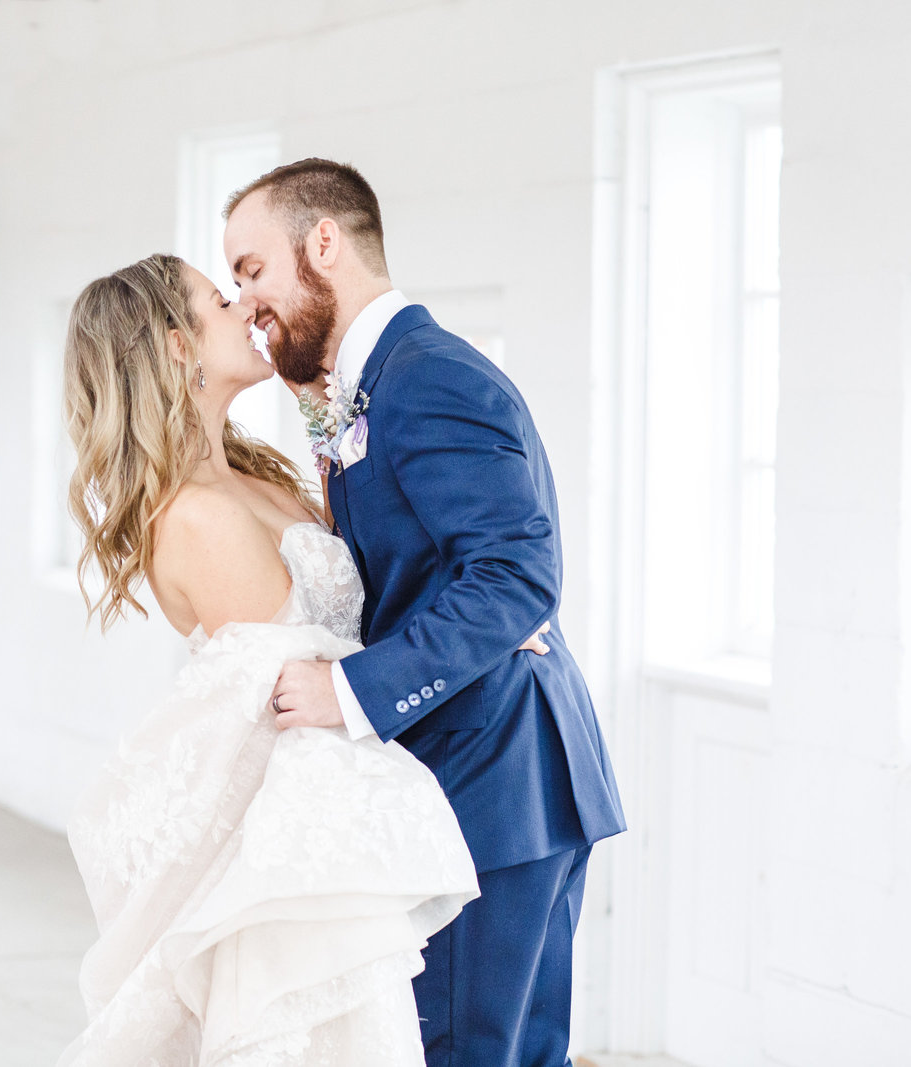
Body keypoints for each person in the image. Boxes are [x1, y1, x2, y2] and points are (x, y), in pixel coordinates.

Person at [55, 252, 549, 1066]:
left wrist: (489, 611)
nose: (245, 307)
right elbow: (311, 676)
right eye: (221, 299)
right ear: (178, 346)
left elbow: (366, 581)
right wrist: (478, 626)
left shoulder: (254, 473)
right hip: (306, 858)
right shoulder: (195, 519)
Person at [223, 158, 627, 1067]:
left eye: (251, 269)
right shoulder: (367, 387)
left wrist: (349, 692)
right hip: (486, 780)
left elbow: (517, 575)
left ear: (323, 242)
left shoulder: (427, 377)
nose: (244, 299)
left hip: (494, 778)